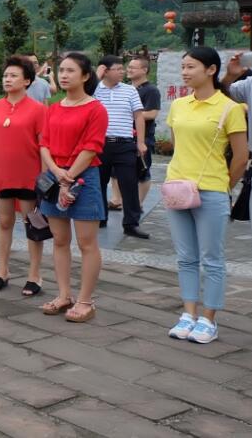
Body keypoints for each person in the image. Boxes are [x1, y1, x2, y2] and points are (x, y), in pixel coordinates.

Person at [164, 47, 247, 344]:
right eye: (183, 67)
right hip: (177, 189)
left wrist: (224, 186)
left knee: (212, 259)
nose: (185, 72)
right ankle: (188, 313)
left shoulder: (230, 108)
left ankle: (209, 319)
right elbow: (176, 145)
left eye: (191, 67)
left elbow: (241, 157)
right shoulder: (178, 105)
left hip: (211, 192)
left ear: (211, 70)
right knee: (186, 257)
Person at [38, 52, 108, 323]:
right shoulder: (54, 108)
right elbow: (44, 143)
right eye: (62, 70)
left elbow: (91, 148)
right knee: (59, 239)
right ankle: (64, 295)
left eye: (71, 71)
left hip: (83, 179)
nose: (64, 75)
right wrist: (56, 172)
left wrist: (67, 177)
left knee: (86, 243)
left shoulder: (95, 109)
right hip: (55, 177)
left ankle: (85, 300)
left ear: (86, 76)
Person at [0, 56, 46, 296]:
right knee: (5, 222)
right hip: (1, 175)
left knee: (32, 225)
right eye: (6, 75)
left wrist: (44, 179)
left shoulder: (38, 110)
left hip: (29, 176)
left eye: (14, 75)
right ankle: (2, 271)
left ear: (27, 81)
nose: (8, 79)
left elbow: (44, 146)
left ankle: (34, 275)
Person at [94, 55, 149, 237]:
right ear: (105, 71)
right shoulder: (94, 90)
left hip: (125, 144)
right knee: (98, 183)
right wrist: (96, 77)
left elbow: (138, 116)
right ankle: (100, 218)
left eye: (122, 68)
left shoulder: (130, 90)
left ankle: (131, 224)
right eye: (117, 69)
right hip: (99, 145)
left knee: (129, 183)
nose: (122, 72)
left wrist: (140, 142)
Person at [129, 57, 161, 206]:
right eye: (129, 67)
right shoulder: (127, 89)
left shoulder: (151, 90)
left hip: (144, 138)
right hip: (126, 137)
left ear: (144, 70)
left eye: (133, 67)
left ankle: (138, 203)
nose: (129, 70)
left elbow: (152, 113)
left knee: (142, 171)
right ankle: (119, 200)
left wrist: (130, 114)